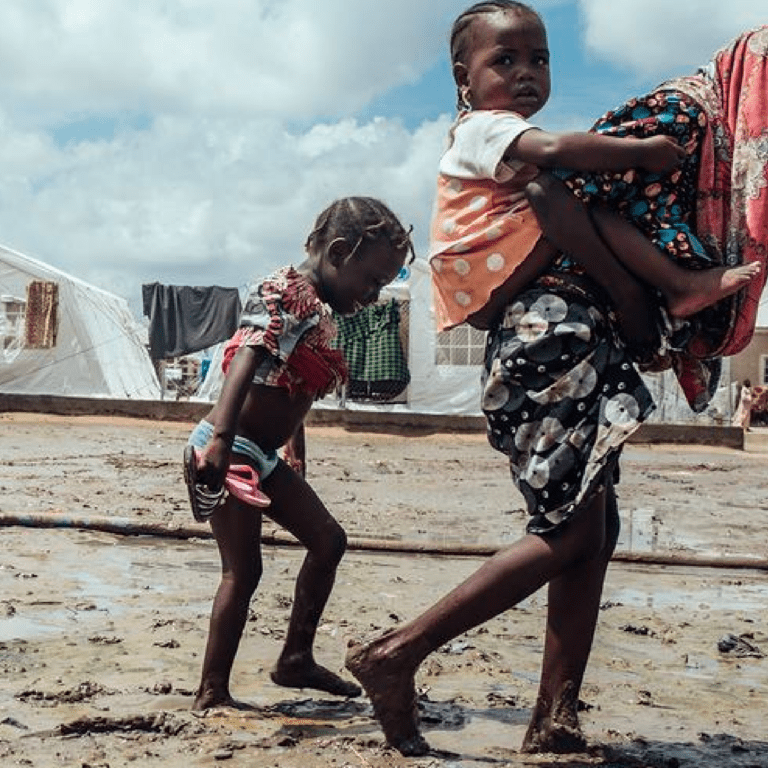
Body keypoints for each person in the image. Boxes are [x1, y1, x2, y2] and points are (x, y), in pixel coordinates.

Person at [345, 4, 768, 757]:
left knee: (594, 531)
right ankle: (397, 653)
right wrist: (642, 155)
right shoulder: (489, 137)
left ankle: (554, 715)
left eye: (538, 60)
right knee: (569, 532)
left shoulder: (520, 169)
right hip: (547, 339)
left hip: (570, 337)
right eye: (505, 62)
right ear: (463, 81)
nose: (526, 74)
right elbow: (561, 159)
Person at [185, 196, 413, 711]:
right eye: (373, 281)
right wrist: (220, 442)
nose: (375, 295)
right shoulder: (284, 294)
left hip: (263, 455)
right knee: (243, 572)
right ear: (338, 252)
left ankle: (295, 658)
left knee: (328, 540)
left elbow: (293, 386)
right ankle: (211, 693)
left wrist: (295, 449)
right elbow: (249, 355)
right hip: (230, 449)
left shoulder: (318, 307)